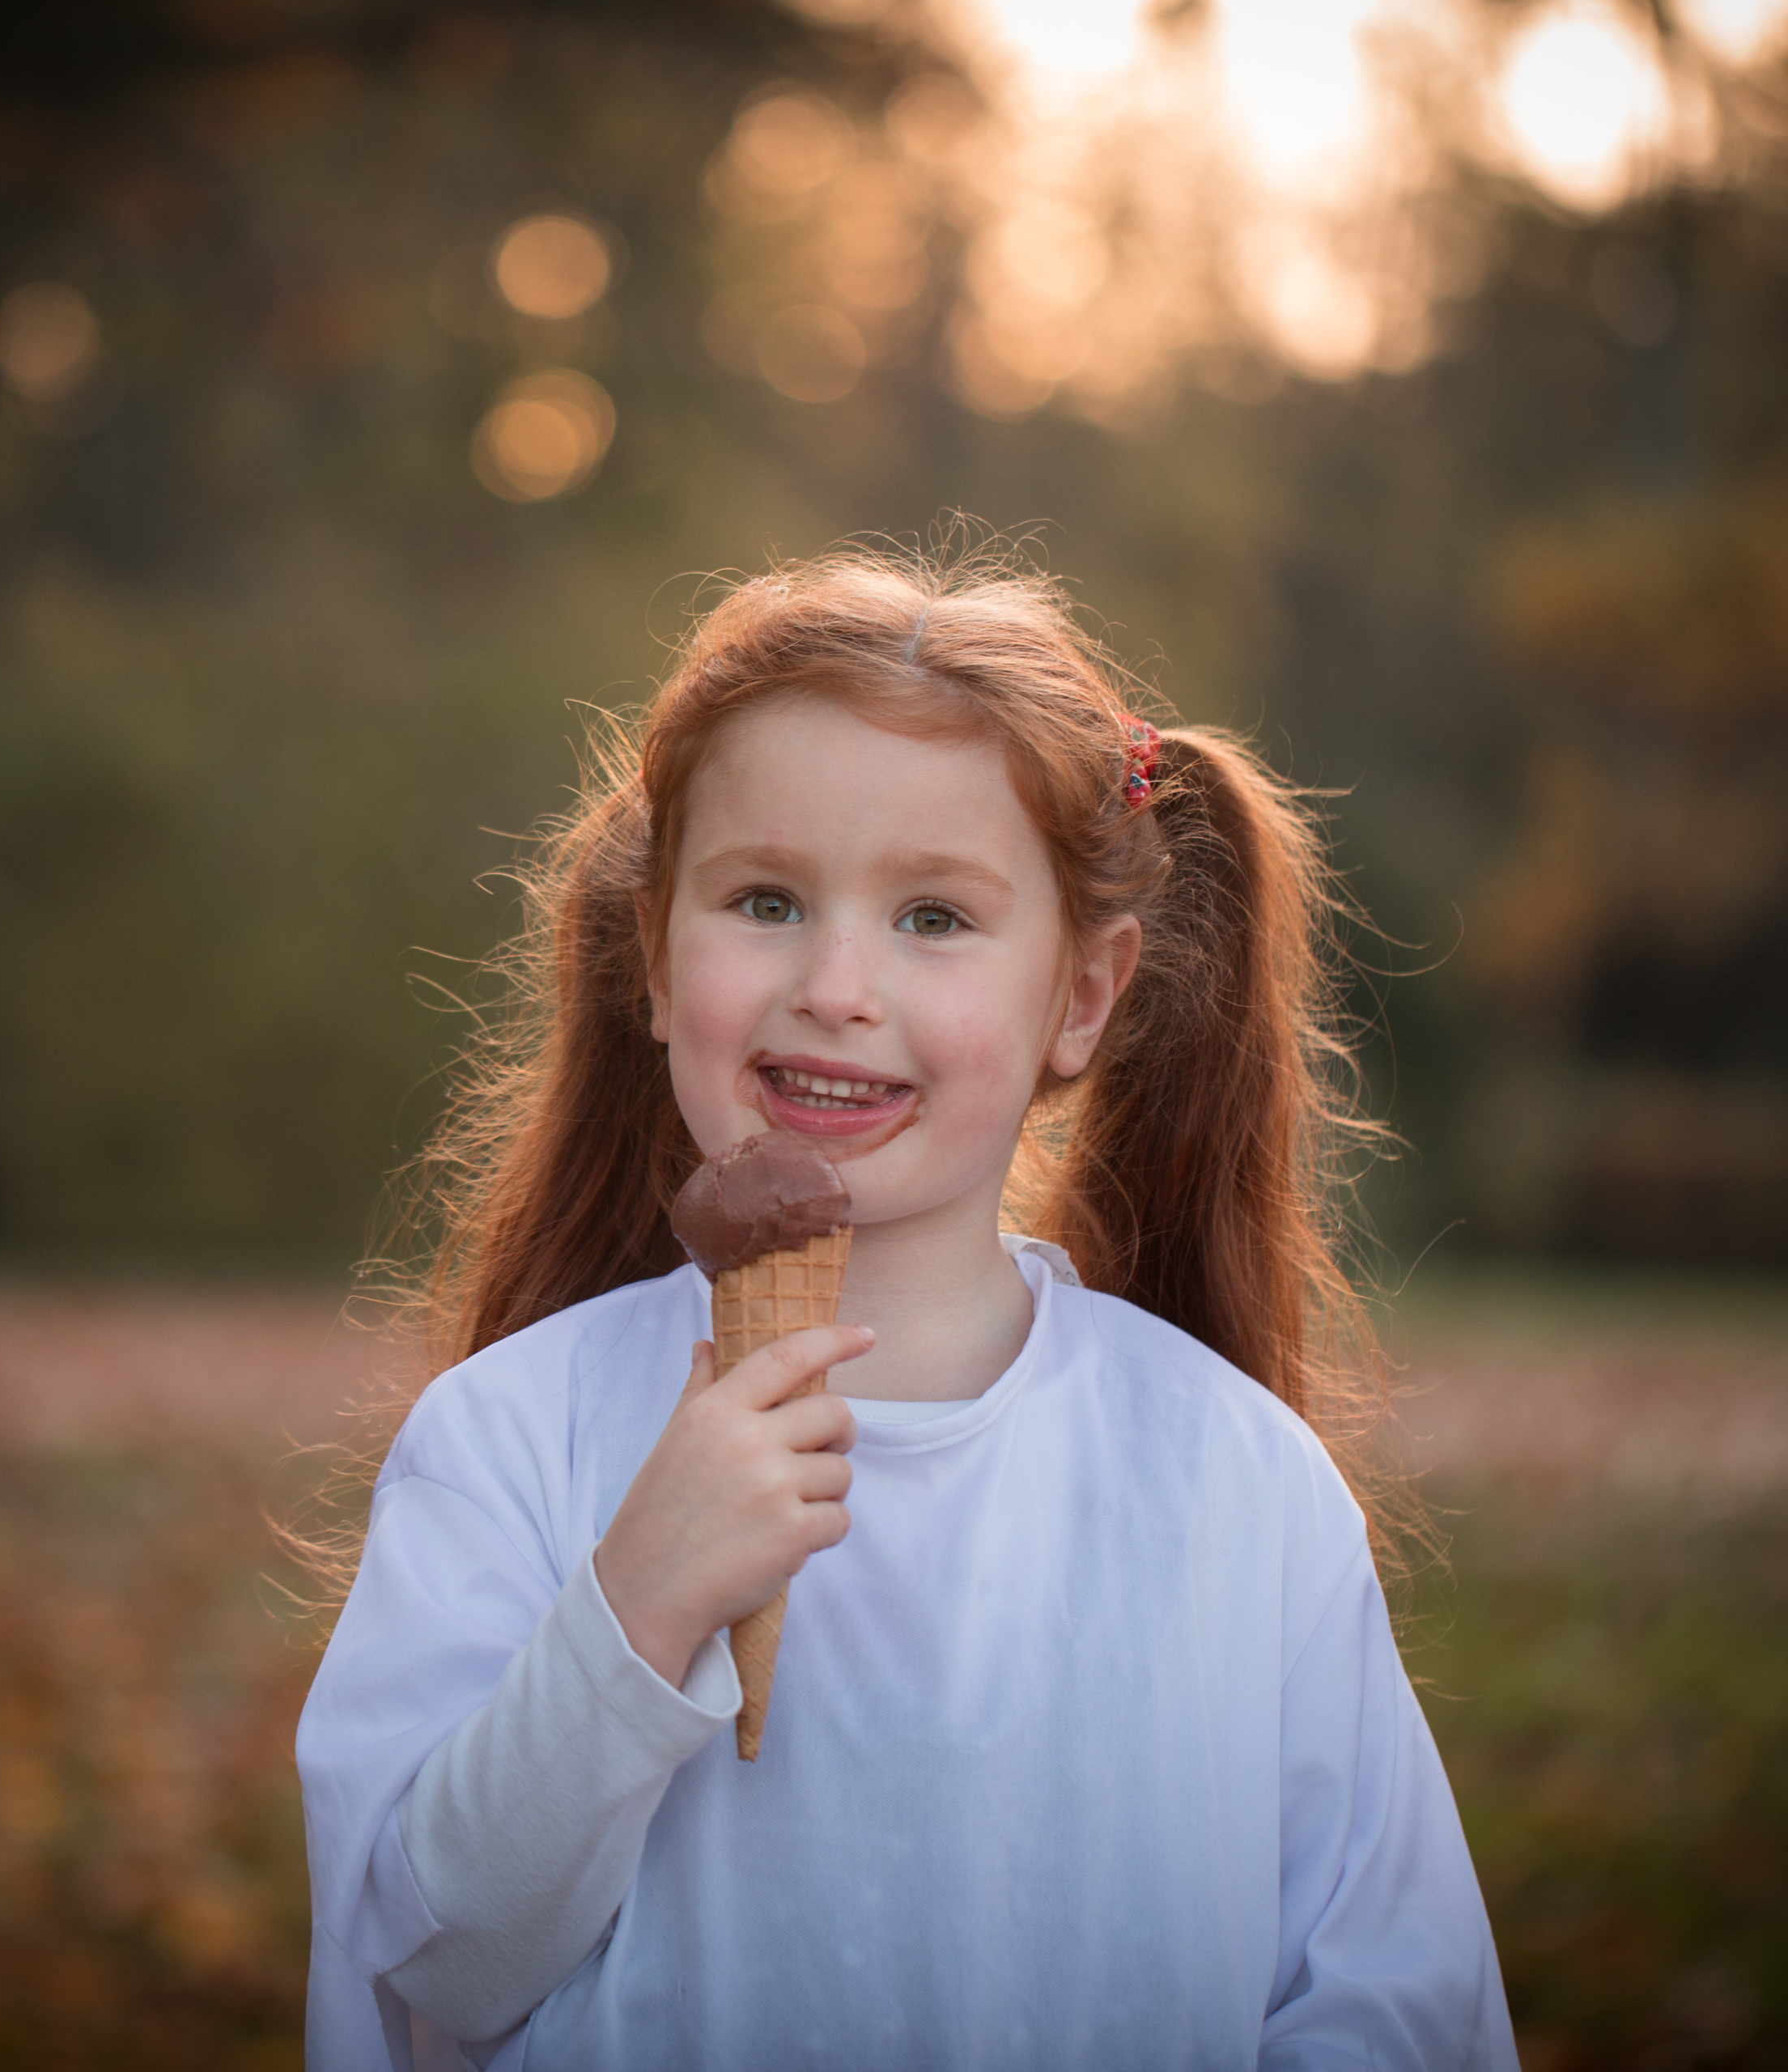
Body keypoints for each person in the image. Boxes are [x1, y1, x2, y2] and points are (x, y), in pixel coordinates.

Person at [296, 550, 1518, 2071]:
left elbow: (1392, 2006)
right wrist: (638, 1604)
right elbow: (432, 1973)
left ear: (1081, 995)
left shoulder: (1238, 1484)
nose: (837, 985)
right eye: (764, 901)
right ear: (660, 962)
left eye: (935, 918)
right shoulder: (510, 1440)